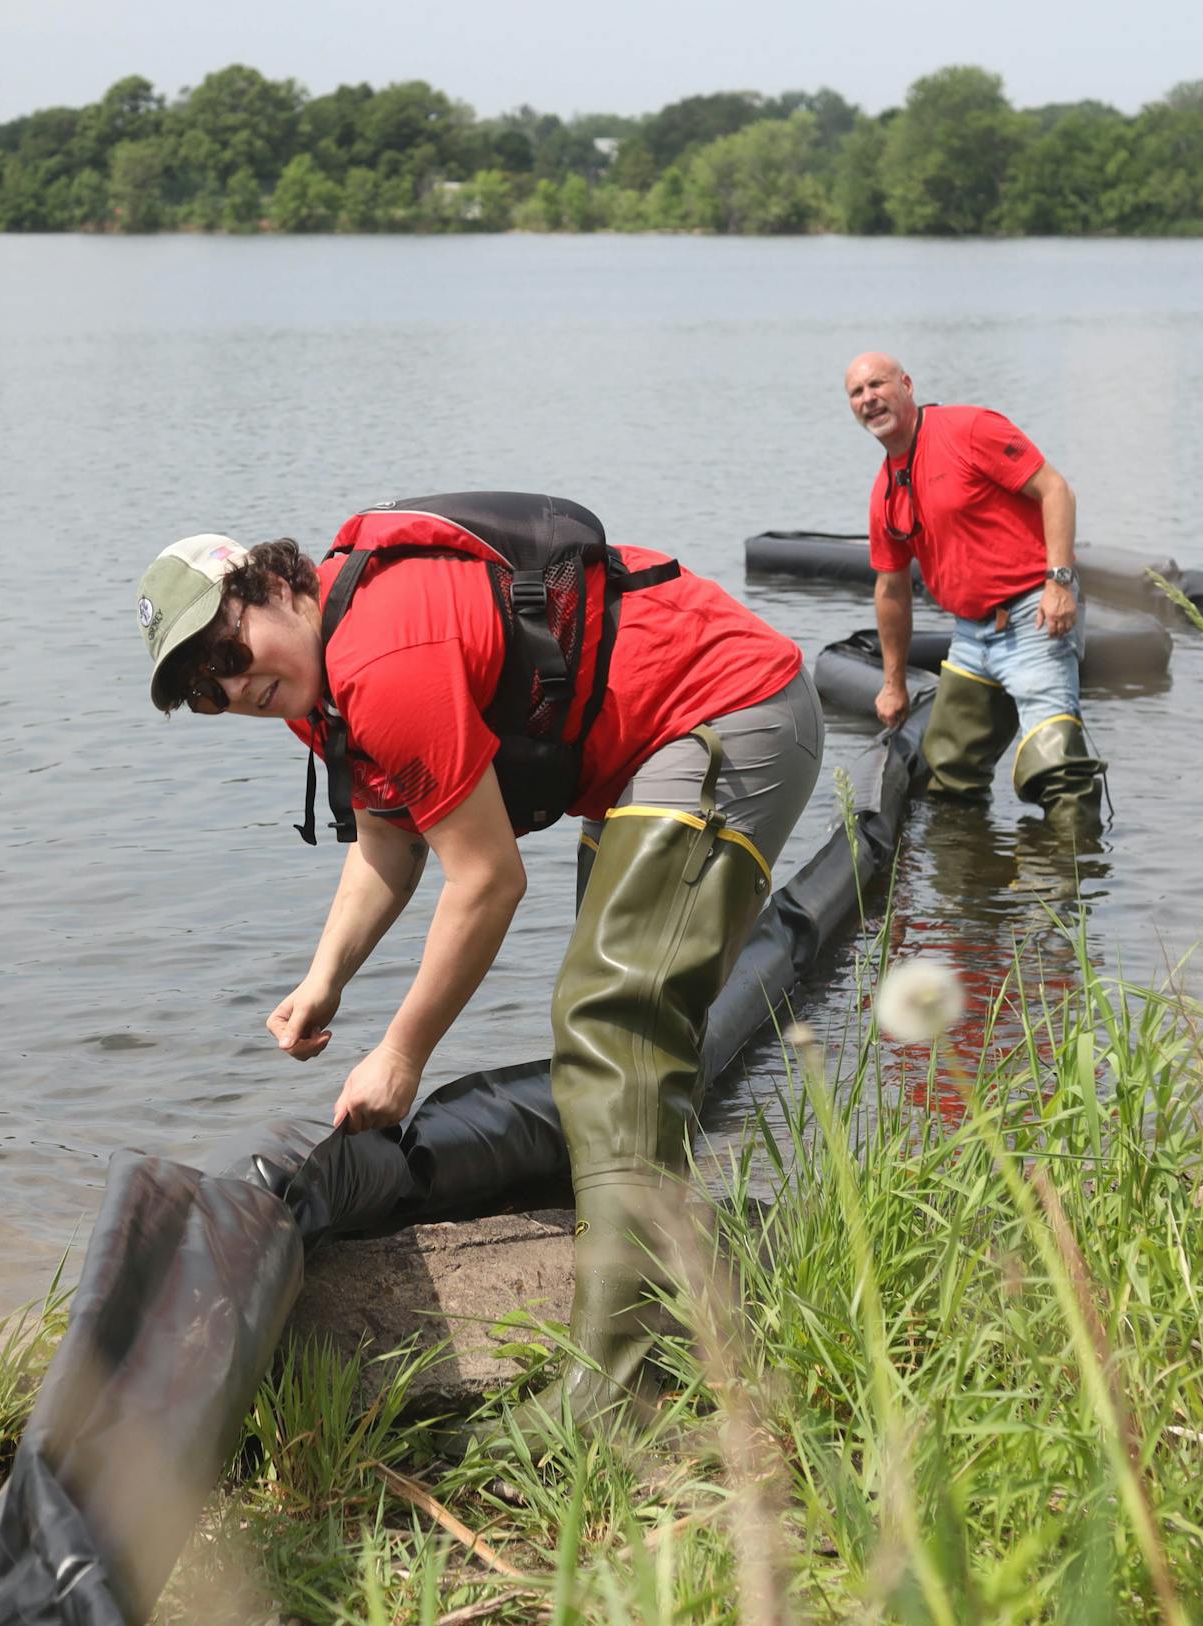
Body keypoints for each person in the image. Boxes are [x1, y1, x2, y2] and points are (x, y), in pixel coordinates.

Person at [133, 492, 822, 1434]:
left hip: (726, 714)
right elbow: (389, 842)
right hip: (642, 758)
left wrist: (402, 1053)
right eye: (204, 692)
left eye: (227, 651)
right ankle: (678, 1319)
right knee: (621, 1041)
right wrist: (324, 981)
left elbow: (489, 881)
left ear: (277, 587)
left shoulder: (379, 657)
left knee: (613, 1025)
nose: (230, 687)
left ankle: (619, 1398)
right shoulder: (323, 683)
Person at [844, 352, 1105, 833]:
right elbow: (892, 590)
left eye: (877, 385)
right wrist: (894, 682)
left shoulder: (968, 429)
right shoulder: (886, 491)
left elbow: (1056, 491)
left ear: (906, 383)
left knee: (1057, 768)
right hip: (971, 633)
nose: (868, 399)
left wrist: (1060, 582)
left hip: (1034, 614)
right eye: (857, 394)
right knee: (948, 773)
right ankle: (966, 896)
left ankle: (1071, 892)